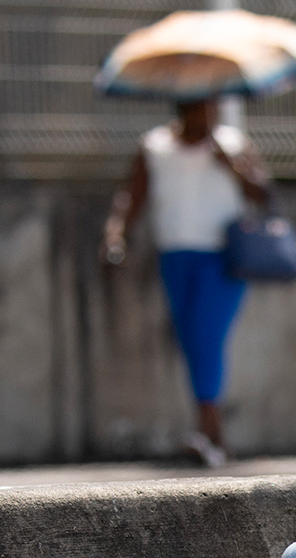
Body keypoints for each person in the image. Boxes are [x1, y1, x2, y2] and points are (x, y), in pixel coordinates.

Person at [101, 98, 271, 467]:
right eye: (200, 108)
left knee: (205, 335)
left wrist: (233, 168)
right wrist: (116, 234)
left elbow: (264, 193)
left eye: (212, 108)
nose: (208, 115)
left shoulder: (233, 143)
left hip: (223, 256)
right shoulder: (155, 146)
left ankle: (206, 429)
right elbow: (132, 194)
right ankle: (216, 438)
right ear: (184, 109)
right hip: (175, 256)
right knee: (190, 340)